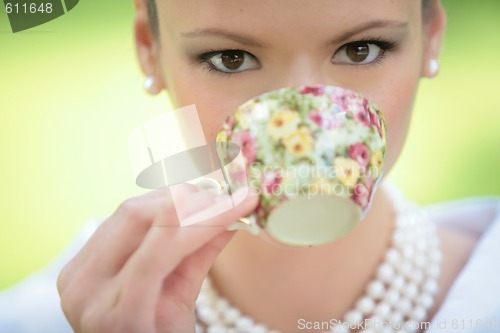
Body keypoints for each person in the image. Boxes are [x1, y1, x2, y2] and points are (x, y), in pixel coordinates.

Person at [1, 1, 499, 332]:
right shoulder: (44, 319)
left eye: (360, 49)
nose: (297, 123)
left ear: (431, 35)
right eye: (232, 58)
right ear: (149, 50)